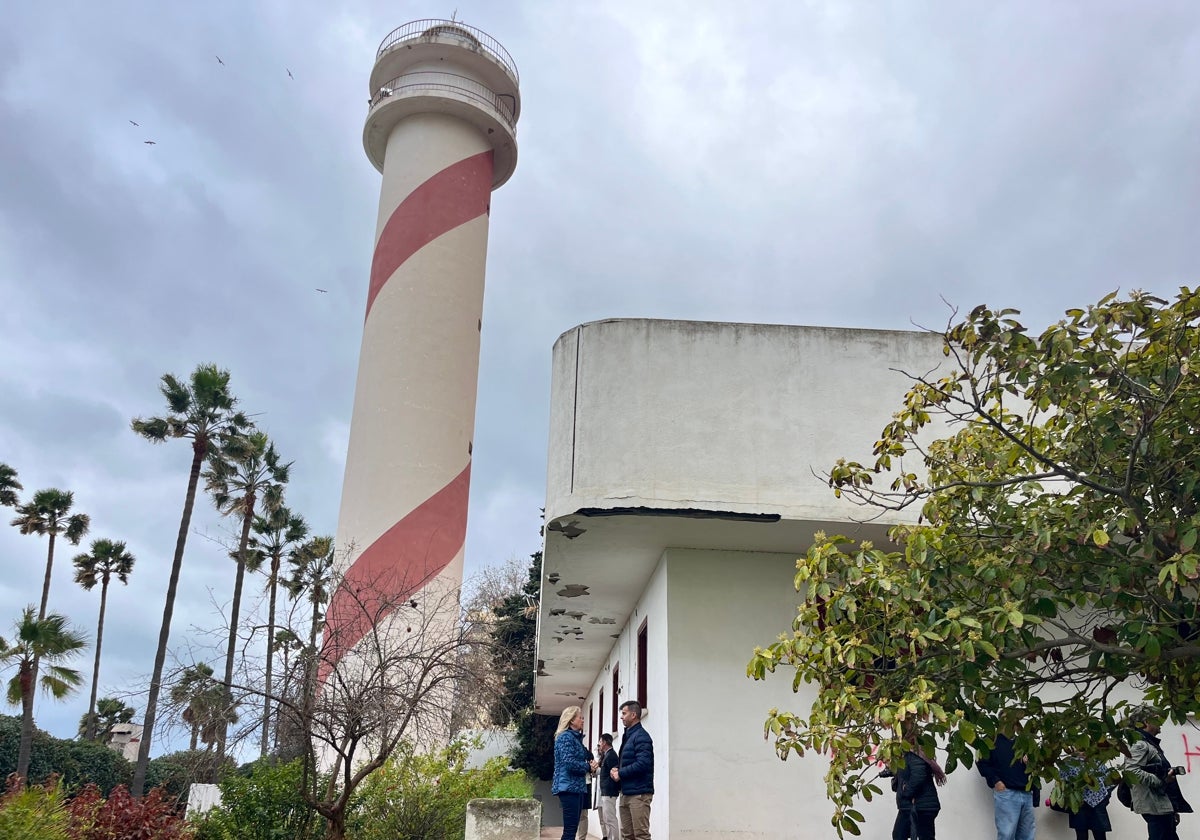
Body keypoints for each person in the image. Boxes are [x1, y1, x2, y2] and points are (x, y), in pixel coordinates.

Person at [1124, 704, 1193, 840]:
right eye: (1156, 718)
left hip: (1160, 805)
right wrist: (1161, 780)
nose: (1160, 722)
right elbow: (1131, 771)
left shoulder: (1148, 743)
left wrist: (1171, 808)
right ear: (1146, 722)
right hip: (1154, 805)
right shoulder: (1139, 744)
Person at [881, 722, 946, 840]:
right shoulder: (909, 753)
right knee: (903, 835)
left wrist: (906, 791)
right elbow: (908, 770)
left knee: (902, 835)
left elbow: (919, 774)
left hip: (919, 806)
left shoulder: (914, 753)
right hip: (914, 806)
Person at [977, 728, 1040, 840]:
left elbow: (1036, 767)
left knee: (1028, 835)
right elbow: (982, 763)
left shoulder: (1022, 742)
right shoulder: (991, 740)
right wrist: (996, 781)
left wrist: (1030, 762)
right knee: (1007, 834)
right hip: (1007, 793)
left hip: (1026, 793)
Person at [553, 706, 599, 840]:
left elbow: (587, 754)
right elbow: (569, 763)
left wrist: (593, 763)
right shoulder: (565, 738)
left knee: (572, 830)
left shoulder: (576, 739)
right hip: (568, 787)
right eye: (580, 717)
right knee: (570, 831)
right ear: (571, 720)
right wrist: (588, 767)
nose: (583, 720)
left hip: (577, 787)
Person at [610, 700, 653, 840]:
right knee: (627, 835)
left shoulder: (641, 736)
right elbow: (629, 761)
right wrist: (616, 769)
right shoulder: (628, 736)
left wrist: (620, 773)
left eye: (624, 713)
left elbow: (643, 764)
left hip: (639, 794)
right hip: (626, 792)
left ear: (633, 715)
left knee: (641, 835)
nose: (621, 717)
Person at [1053, 749, 1112, 840]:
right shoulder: (1069, 764)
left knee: (1100, 835)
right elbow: (1061, 783)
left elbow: (1109, 782)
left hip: (1098, 804)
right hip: (1078, 803)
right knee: (1081, 836)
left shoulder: (1096, 762)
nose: (1081, 751)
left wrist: (1105, 800)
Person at [597, 733, 621, 840]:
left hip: (610, 792)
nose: (599, 744)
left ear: (605, 743)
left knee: (610, 819)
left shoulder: (611, 755)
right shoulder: (607, 755)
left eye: (600, 741)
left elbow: (615, 773)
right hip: (606, 792)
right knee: (607, 819)